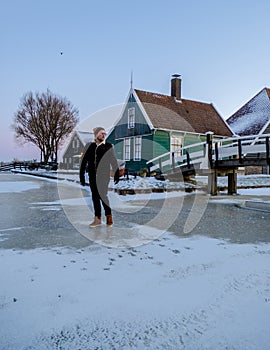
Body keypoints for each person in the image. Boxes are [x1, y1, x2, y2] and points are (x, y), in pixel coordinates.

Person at [80, 127, 119, 227]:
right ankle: (97, 219)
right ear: (96, 135)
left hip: (104, 175)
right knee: (95, 196)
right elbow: (83, 162)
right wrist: (82, 176)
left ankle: (109, 217)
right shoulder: (89, 146)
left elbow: (113, 160)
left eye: (104, 134)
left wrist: (117, 173)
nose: (104, 135)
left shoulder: (108, 146)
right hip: (93, 176)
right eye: (101, 133)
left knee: (103, 195)